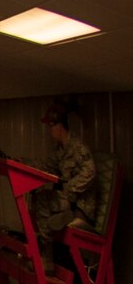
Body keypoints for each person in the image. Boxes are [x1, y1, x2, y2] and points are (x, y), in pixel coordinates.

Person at [32, 100, 101, 238]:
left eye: (51, 127)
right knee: (40, 199)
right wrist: (21, 162)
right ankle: (52, 234)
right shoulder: (59, 150)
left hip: (82, 206)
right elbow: (46, 166)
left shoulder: (78, 147)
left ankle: (48, 244)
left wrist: (69, 188)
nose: (50, 132)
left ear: (59, 126)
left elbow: (90, 171)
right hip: (69, 200)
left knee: (43, 202)